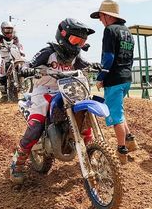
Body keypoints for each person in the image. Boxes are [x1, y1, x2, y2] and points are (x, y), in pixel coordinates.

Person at [10, 18, 100, 184]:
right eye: (75, 40)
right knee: (36, 126)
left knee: (83, 120)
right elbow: (30, 63)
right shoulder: (48, 51)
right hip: (44, 92)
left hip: (67, 90)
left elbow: (83, 64)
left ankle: (90, 155)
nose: (77, 45)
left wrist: (95, 65)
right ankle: (18, 162)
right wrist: (26, 69)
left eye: (82, 41)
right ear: (63, 35)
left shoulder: (75, 55)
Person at [90, 0, 138, 164]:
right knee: (119, 110)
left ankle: (121, 149)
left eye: (100, 17)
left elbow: (108, 57)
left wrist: (101, 77)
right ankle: (130, 140)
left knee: (115, 116)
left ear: (106, 16)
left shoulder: (110, 30)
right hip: (127, 78)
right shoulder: (128, 32)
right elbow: (131, 59)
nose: (100, 21)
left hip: (114, 79)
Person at [0, 21, 24, 102]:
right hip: (5, 59)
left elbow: (19, 45)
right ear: (2, 30)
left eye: (10, 30)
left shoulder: (15, 38)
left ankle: (23, 84)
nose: (9, 32)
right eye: (7, 30)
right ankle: (4, 95)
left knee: (23, 68)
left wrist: (21, 51)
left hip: (15, 57)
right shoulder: (0, 37)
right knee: (2, 77)